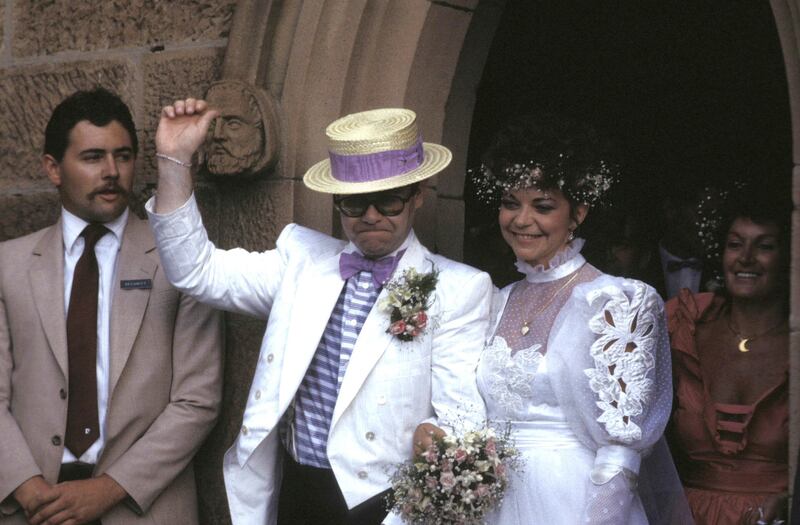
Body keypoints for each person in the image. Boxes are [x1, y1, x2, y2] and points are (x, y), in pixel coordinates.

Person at [146, 100, 493, 525]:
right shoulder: (301, 261)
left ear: (417, 196)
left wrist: (436, 439)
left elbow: (461, 415)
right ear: (336, 200)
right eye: (354, 203)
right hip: (296, 490)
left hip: (384, 503)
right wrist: (175, 161)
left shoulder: (459, 288)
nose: (370, 216)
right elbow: (196, 271)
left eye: (388, 201)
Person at [0, 88, 223, 524]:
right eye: (92, 157)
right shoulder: (7, 265)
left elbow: (197, 402)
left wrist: (107, 490)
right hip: (32, 507)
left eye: (123, 156)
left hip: (143, 505)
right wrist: (28, 489)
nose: (111, 172)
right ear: (53, 169)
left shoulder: (182, 261)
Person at [471, 115, 689, 524]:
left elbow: (622, 450)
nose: (521, 220)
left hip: (571, 501)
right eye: (509, 203)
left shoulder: (619, 301)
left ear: (578, 214)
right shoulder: (494, 301)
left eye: (543, 206)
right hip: (487, 501)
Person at [666, 191, 790, 525]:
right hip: (688, 516)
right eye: (735, 244)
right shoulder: (684, 325)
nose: (746, 258)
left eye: (765, 246)